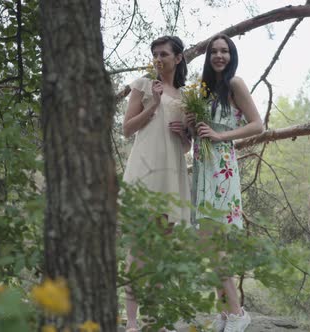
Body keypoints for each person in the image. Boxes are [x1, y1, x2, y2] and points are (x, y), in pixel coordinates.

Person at [186, 34, 263, 332]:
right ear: (208, 57)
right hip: (202, 169)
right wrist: (189, 127)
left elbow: (258, 124)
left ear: (232, 56)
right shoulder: (204, 90)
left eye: (225, 51)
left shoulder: (235, 84)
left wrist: (220, 136)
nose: (219, 56)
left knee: (216, 244)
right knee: (208, 244)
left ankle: (237, 314)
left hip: (221, 169)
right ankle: (226, 312)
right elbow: (199, 133)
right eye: (214, 51)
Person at [122, 35, 191, 332]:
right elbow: (126, 129)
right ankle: (133, 321)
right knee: (138, 248)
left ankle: (154, 319)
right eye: (155, 54)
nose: (158, 59)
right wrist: (154, 105)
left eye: (164, 54)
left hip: (172, 173)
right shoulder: (142, 84)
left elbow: (186, 147)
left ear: (177, 58)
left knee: (162, 250)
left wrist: (184, 135)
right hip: (144, 170)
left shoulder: (188, 97)